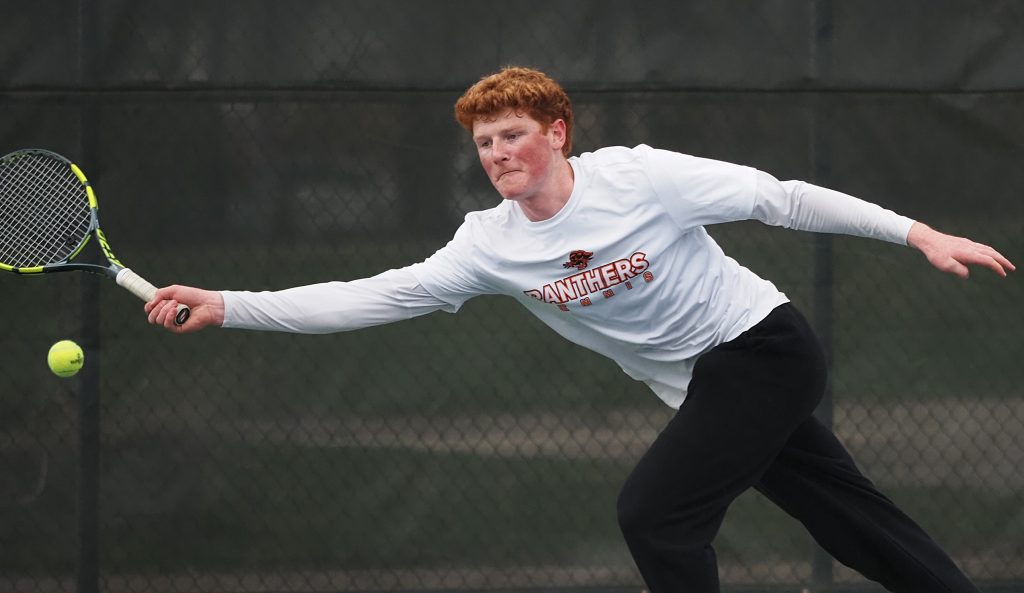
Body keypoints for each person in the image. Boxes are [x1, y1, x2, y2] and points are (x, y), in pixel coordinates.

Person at [145, 67, 1014, 592]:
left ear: (557, 133)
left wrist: (920, 233)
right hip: (704, 386)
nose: (496, 153)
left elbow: (780, 197)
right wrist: (229, 303)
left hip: (762, 350)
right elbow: (376, 293)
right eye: (484, 143)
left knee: (654, 513)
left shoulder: (640, 179)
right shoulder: (486, 245)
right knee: (851, 520)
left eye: (512, 134)